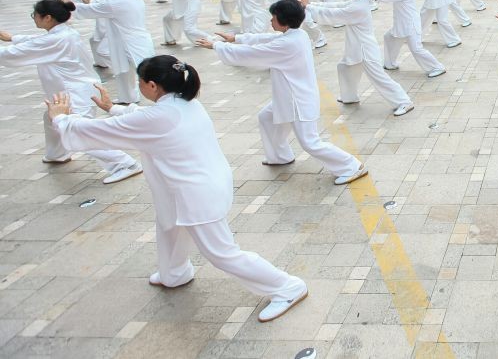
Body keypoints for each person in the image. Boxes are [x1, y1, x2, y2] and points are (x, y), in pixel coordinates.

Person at [45, 56, 309, 322]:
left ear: (151, 85)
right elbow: (141, 118)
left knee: (222, 253)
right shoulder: (184, 102)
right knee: (170, 226)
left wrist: (62, 120)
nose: (138, 86)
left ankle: (287, 287)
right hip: (197, 183)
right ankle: (175, 273)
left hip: (198, 193)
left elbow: (109, 129)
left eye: (140, 82)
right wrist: (113, 108)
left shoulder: (162, 115)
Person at [197, 0, 369, 183]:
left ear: (284, 21)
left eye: (273, 18)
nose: (271, 21)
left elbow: (251, 54)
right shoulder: (296, 34)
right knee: (266, 118)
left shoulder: (288, 43)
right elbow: (266, 38)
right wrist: (237, 38)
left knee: (310, 142)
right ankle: (280, 155)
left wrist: (217, 45)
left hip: (297, 101)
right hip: (288, 97)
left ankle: (352, 166)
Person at [0, 0, 142, 183]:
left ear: (48, 18)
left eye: (34, 15)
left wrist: (12, 41)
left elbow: (12, 54)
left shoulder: (56, 39)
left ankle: (124, 163)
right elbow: (36, 41)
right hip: (75, 89)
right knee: (51, 119)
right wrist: (12, 38)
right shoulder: (63, 33)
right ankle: (57, 153)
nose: (33, 18)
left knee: (78, 131)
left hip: (74, 93)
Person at [301, 0, 414, 117]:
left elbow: (335, 14)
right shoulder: (358, 1)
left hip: (365, 50)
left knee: (379, 78)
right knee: (345, 67)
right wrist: (312, 5)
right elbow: (338, 5)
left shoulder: (358, 7)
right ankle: (349, 96)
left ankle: (404, 101)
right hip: (357, 47)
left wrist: (309, 7)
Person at [58, 0, 155, 104]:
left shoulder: (114, 2)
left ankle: (165, 96)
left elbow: (89, 10)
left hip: (131, 43)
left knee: (147, 73)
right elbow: (101, 6)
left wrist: (68, 4)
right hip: (132, 40)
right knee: (123, 72)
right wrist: (86, 2)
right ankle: (127, 97)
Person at [378, 0, 446, 78]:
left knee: (416, 49)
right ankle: (390, 63)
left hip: (410, 24)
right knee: (388, 37)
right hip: (401, 24)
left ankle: (437, 67)